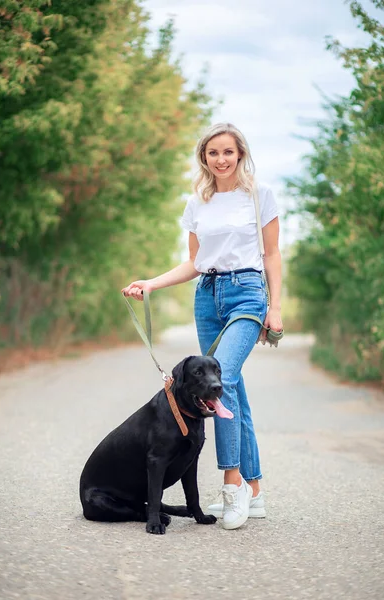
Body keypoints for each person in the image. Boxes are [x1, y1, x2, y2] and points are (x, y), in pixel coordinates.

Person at [122, 122, 283, 530]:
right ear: (204, 158)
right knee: (231, 392)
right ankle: (256, 490)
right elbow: (195, 262)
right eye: (213, 153)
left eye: (228, 151)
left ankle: (232, 486)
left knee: (221, 378)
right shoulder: (198, 203)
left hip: (247, 291)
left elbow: (272, 254)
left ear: (240, 154)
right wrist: (151, 283)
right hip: (208, 296)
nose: (222, 159)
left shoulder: (259, 196)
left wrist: (275, 307)